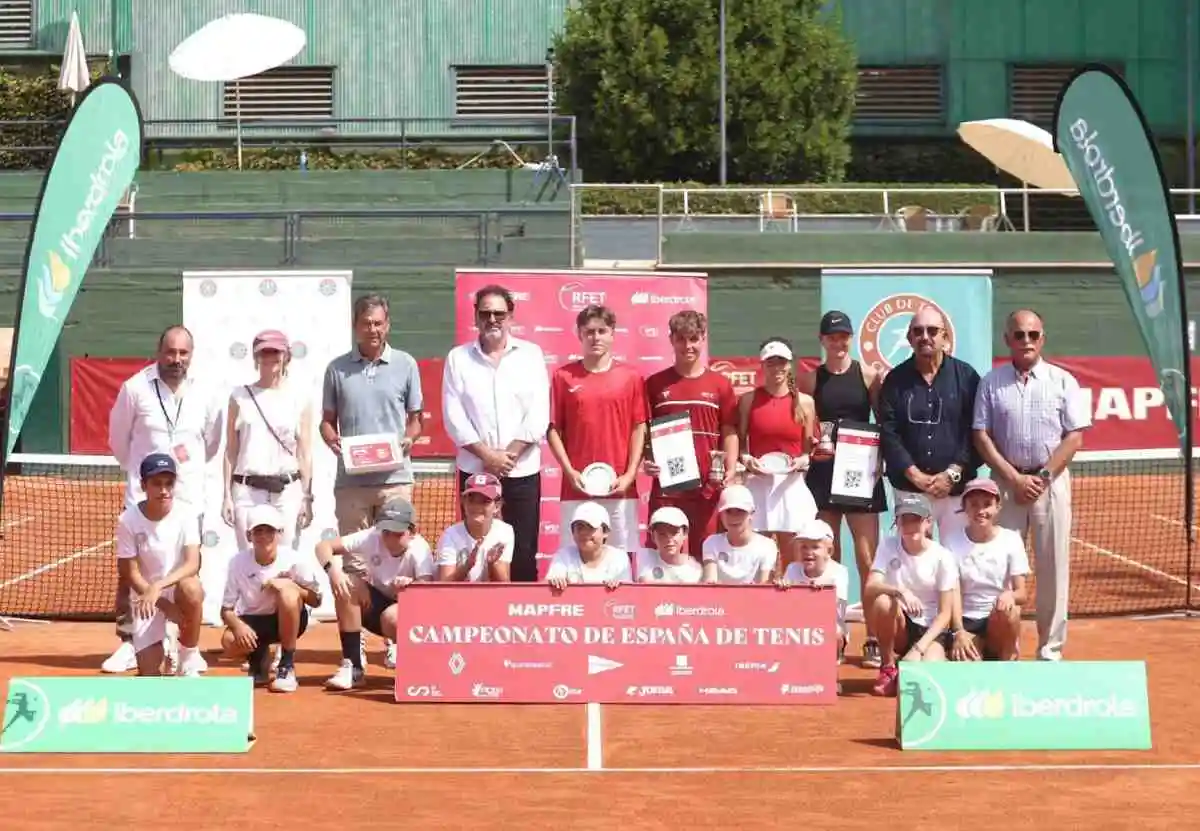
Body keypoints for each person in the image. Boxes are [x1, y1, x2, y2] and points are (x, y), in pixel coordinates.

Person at [972, 309, 1090, 662]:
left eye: (1033, 335)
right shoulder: (990, 383)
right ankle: (1004, 649)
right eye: (1019, 335)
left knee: (1053, 568)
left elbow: (1075, 437)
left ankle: (1050, 651)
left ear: (1043, 338)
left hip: (1049, 484)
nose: (1027, 341)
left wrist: (1040, 478)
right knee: (1000, 568)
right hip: (1005, 487)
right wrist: (1012, 477)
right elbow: (980, 434)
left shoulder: (1064, 381)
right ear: (1007, 339)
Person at [106, 326, 222, 674]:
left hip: (188, 500)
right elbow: (118, 442)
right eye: (170, 352)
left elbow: (212, 441)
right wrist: (146, 482)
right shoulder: (134, 388)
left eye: (183, 353)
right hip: (143, 499)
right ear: (159, 352)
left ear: (191, 355)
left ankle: (188, 647)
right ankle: (130, 642)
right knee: (132, 574)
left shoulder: (206, 391)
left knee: (188, 576)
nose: (176, 360)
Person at [320, 293, 424, 670]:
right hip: (351, 482)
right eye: (367, 323)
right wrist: (331, 438)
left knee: (400, 560)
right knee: (354, 566)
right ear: (356, 326)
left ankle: (395, 638)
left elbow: (416, 418)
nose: (373, 329)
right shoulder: (336, 369)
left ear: (388, 325)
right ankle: (356, 648)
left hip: (395, 478)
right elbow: (327, 420)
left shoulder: (406, 365)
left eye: (379, 323)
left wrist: (409, 439)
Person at [797, 310, 888, 669]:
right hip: (822, 473)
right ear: (822, 340)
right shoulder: (809, 380)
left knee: (868, 561)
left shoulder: (868, 376)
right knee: (825, 559)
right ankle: (830, 634)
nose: (838, 342)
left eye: (843, 337)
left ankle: (875, 639)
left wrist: (879, 458)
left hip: (859, 474)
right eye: (832, 337)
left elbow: (882, 423)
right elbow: (803, 426)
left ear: (850, 339)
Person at [442, 284, 549, 583]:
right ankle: (476, 618)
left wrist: (507, 458)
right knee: (473, 548)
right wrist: (488, 456)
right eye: (485, 313)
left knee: (525, 550)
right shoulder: (457, 358)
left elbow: (538, 413)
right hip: (475, 470)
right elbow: (454, 417)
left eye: (499, 313)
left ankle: (523, 622)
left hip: (522, 470)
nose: (492, 319)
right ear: (475, 317)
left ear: (510, 317)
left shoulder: (531, 355)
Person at [547, 304, 648, 553]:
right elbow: (552, 430)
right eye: (589, 331)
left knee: (621, 561)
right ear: (579, 334)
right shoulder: (563, 376)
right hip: (577, 487)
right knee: (574, 560)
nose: (596, 338)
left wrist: (630, 475)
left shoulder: (631, 376)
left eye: (602, 331)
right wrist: (570, 471)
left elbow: (639, 428)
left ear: (612, 334)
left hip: (620, 489)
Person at [879, 304, 982, 538]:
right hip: (910, 490)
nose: (925, 337)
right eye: (918, 331)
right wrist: (915, 476)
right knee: (915, 562)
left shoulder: (967, 377)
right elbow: (889, 432)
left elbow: (976, 431)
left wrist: (952, 474)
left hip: (955, 490)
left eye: (932, 331)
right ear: (909, 337)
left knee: (957, 559)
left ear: (945, 336)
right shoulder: (895, 380)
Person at [643, 310, 738, 559]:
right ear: (671, 340)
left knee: (705, 554)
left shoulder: (720, 384)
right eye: (681, 339)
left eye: (694, 338)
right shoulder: (655, 384)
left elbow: (729, 430)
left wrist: (730, 467)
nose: (688, 346)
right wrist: (647, 459)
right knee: (662, 556)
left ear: (703, 338)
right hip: (668, 486)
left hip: (708, 486)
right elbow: (643, 431)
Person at [314, 498, 434, 691]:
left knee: (392, 617)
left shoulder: (420, 549)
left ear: (412, 532)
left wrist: (411, 587)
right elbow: (323, 547)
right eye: (386, 532)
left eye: (397, 533)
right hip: (379, 606)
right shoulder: (371, 536)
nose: (390, 539)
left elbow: (427, 591)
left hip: (414, 616)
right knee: (349, 584)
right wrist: (333, 571)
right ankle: (353, 667)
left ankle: (419, 667)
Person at [114, 453, 206, 677]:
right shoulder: (128, 521)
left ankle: (188, 654)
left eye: (168, 483)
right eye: (156, 483)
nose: (164, 490)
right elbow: (129, 572)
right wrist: (161, 601)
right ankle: (165, 644)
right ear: (144, 485)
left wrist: (160, 587)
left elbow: (192, 563)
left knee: (192, 588)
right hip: (144, 595)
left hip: (176, 588)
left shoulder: (186, 514)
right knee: (150, 675)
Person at [222, 329, 314, 551]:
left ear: (286, 357)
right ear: (255, 357)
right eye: (264, 352)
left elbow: (304, 453)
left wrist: (306, 498)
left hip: (286, 492)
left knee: (285, 560)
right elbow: (230, 451)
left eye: (275, 352)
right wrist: (226, 495)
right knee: (248, 559)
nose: (270, 357)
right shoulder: (239, 397)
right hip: (247, 492)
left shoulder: (300, 399)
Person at [864, 492, 958, 697]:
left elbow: (945, 614)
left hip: (932, 631)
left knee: (925, 680)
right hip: (902, 625)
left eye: (916, 519)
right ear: (897, 522)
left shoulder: (943, 557)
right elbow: (871, 586)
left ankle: (927, 658)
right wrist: (900, 591)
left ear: (928, 523)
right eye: (904, 519)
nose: (910, 525)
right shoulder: (888, 545)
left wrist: (919, 648)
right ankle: (888, 666)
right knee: (882, 601)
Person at [220, 504, 323, 692]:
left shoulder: (294, 560)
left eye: (270, 531)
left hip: (289, 619)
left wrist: (291, 586)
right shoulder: (237, 562)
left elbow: (316, 600)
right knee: (229, 641)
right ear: (249, 535)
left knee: (288, 594)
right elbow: (226, 610)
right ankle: (258, 658)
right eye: (258, 531)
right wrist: (239, 626)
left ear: (280, 533)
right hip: (254, 621)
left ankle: (287, 665)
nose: (264, 536)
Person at [738, 337, 818, 565]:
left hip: (791, 486)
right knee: (757, 553)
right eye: (770, 363)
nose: (776, 368)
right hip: (758, 484)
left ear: (790, 364)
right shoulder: (748, 400)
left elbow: (807, 449)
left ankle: (792, 599)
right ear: (762, 366)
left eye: (781, 362)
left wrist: (803, 460)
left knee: (792, 554)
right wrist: (746, 458)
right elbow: (741, 442)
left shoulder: (805, 402)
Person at [944, 478, 1029, 662]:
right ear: (964, 508)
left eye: (987, 504)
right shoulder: (951, 542)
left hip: (997, 619)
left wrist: (1010, 596)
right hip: (966, 621)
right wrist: (959, 631)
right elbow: (952, 592)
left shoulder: (1012, 539)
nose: (980, 511)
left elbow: (1022, 593)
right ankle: (977, 652)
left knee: (1011, 612)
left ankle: (1008, 658)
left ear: (998, 507)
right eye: (973, 504)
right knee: (968, 666)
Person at [775, 519, 849, 664]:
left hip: (828, 626)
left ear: (829, 551)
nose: (808, 552)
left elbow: (838, 608)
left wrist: (812, 598)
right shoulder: (792, 568)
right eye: (803, 547)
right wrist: (781, 589)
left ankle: (830, 673)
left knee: (834, 631)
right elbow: (783, 608)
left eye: (815, 547)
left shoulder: (839, 572)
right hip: (799, 626)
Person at [435, 473, 514, 583]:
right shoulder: (450, 535)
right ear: (463, 503)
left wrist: (492, 564)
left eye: (485, 501)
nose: (477, 507)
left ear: (497, 506)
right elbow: (444, 585)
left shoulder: (505, 532)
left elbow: (504, 586)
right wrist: (467, 566)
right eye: (471, 500)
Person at [700, 484, 777, 584]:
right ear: (721, 515)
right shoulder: (711, 543)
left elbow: (765, 585)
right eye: (728, 511)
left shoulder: (767, 545)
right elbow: (710, 581)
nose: (734, 517)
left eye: (740, 511)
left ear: (751, 514)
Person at [545, 502, 633, 589]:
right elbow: (547, 588)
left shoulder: (619, 558)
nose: (584, 533)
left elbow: (627, 595)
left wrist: (617, 588)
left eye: (591, 528)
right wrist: (556, 581)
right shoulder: (563, 555)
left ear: (605, 532)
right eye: (579, 528)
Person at [635, 507, 702, 584]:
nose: (669, 539)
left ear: (685, 534)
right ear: (653, 537)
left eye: (674, 533)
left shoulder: (695, 570)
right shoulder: (642, 556)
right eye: (662, 534)